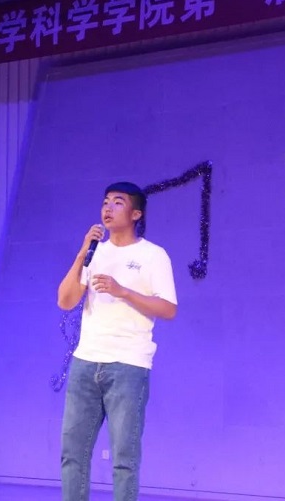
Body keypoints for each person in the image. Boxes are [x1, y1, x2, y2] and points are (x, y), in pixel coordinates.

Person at [57, 182, 178, 501]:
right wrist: (83, 251)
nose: (108, 208)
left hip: (128, 365)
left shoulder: (153, 255)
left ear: (136, 213)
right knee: (72, 454)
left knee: (124, 459)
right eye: (105, 202)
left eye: (118, 202)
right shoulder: (95, 253)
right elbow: (65, 301)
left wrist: (122, 291)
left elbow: (168, 309)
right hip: (85, 363)